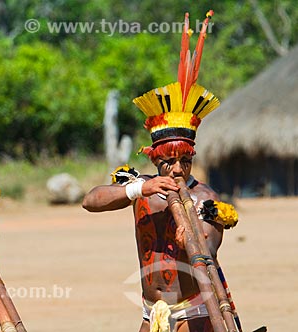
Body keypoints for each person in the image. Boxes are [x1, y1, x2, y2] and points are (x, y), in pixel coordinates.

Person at [83, 11, 240, 332]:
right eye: (169, 161)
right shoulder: (140, 186)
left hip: (195, 312)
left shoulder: (205, 197)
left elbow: (208, 250)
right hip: (151, 313)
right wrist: (138, 189)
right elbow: (91, 200)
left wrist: (193, 231)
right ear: (155, 160)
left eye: (185, 160)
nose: (178, 169)